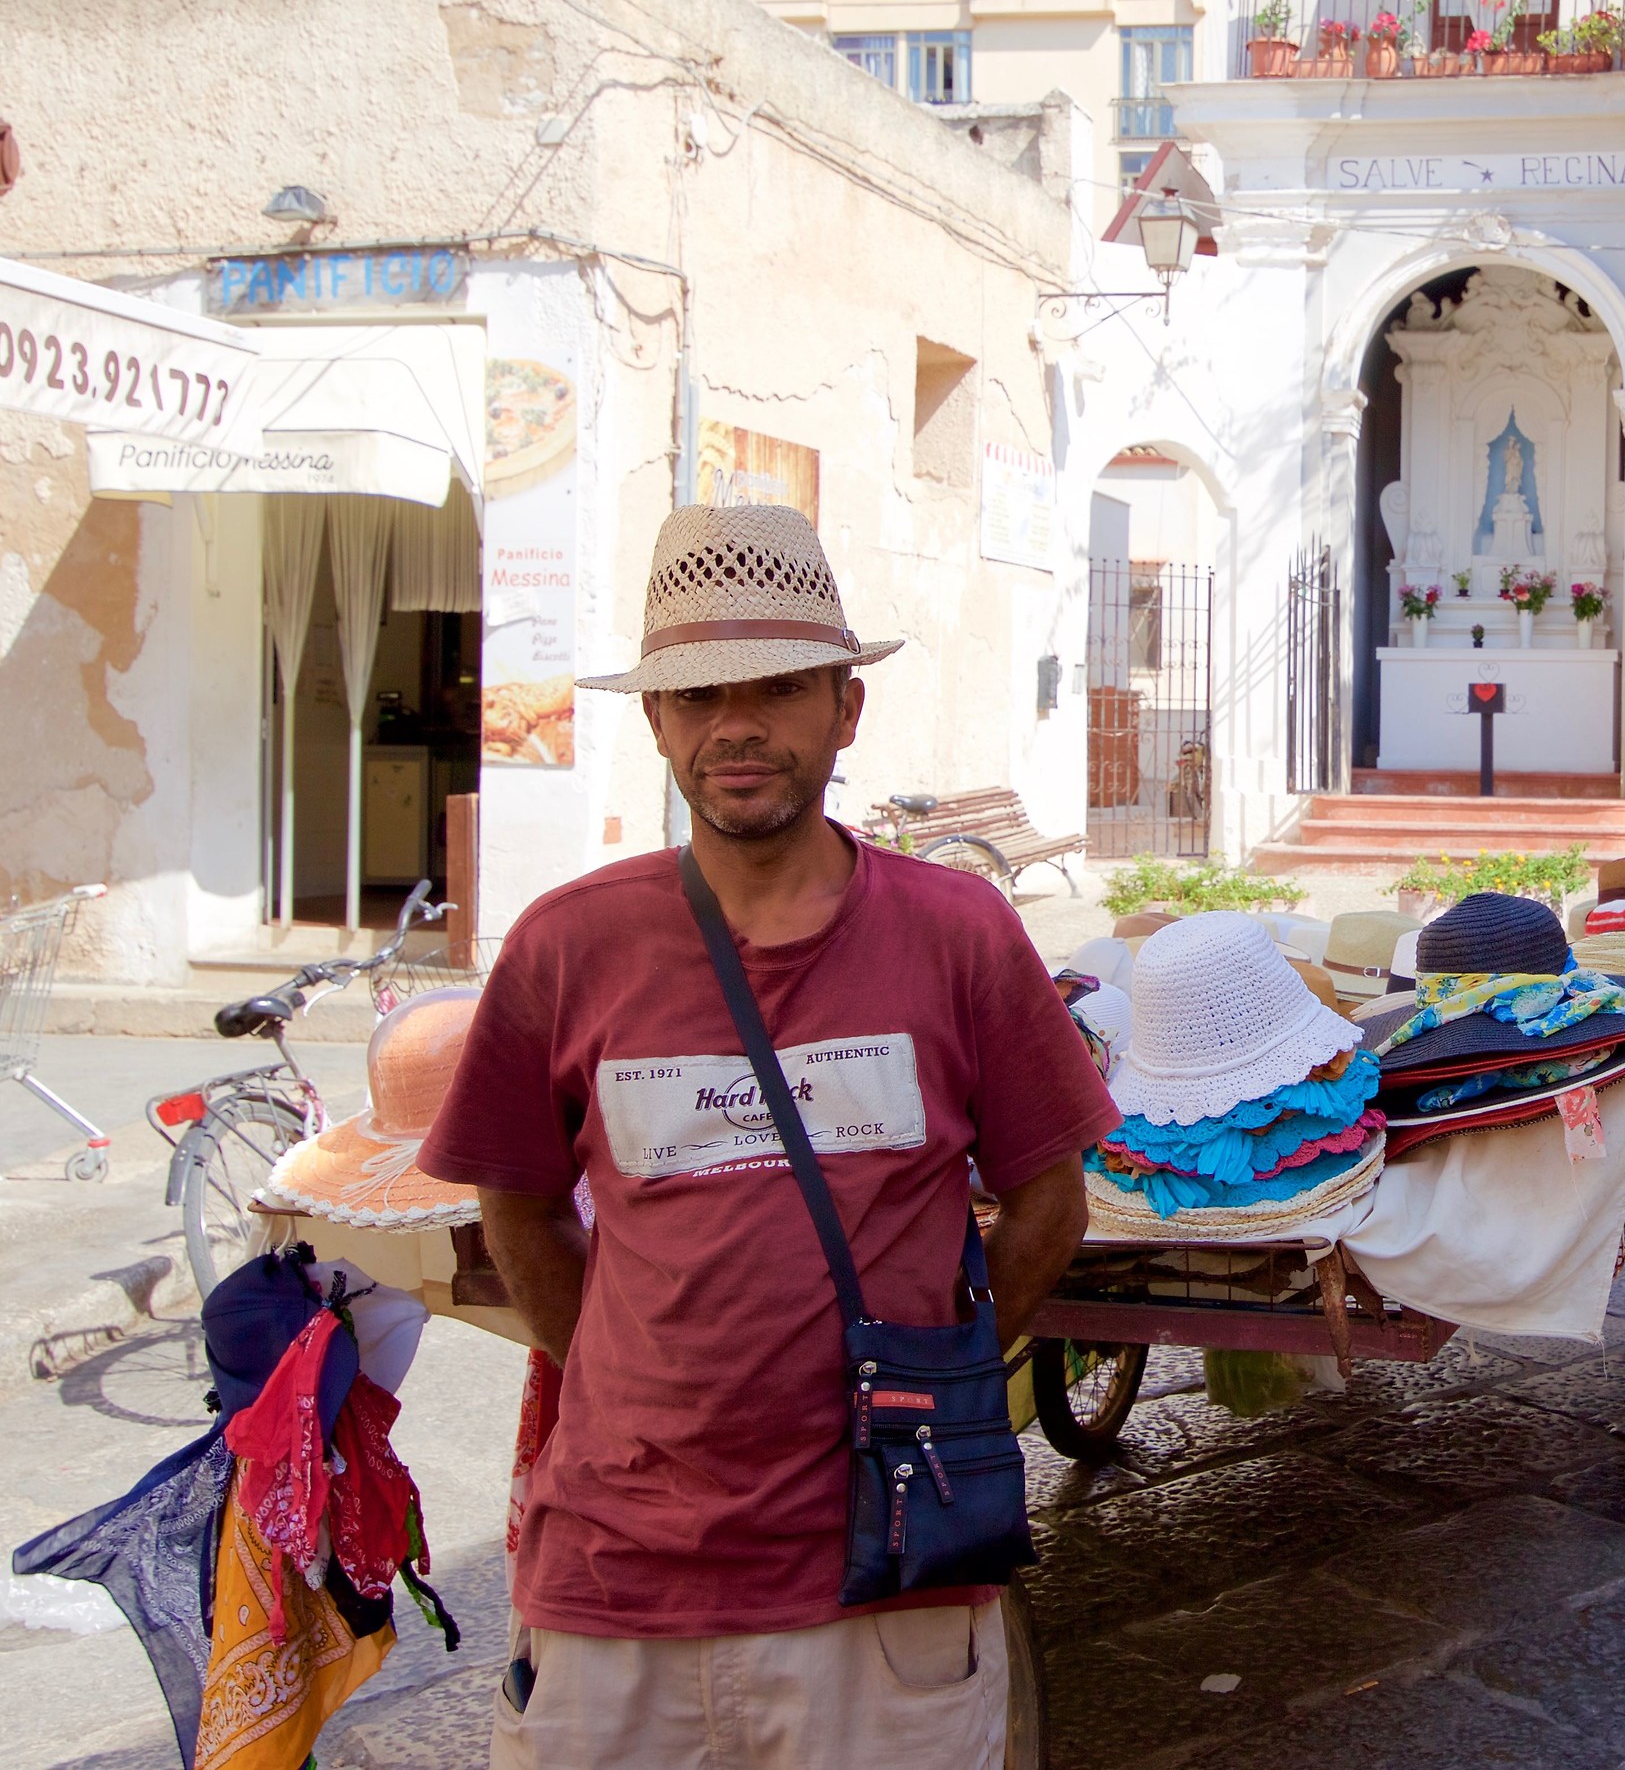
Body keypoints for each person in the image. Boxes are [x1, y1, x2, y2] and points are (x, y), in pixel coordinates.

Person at [420, 504, 1119, 1770]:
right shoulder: (567, 948)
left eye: (778, 688)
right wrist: (628, 1382)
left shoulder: (957, 934)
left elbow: (1048, 1201)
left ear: (844, 708)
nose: (734, 725)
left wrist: (946, 1379)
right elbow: (518, 1204)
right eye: (696, 697)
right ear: (656, 723)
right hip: (618, 1582)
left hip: (889, 1576)